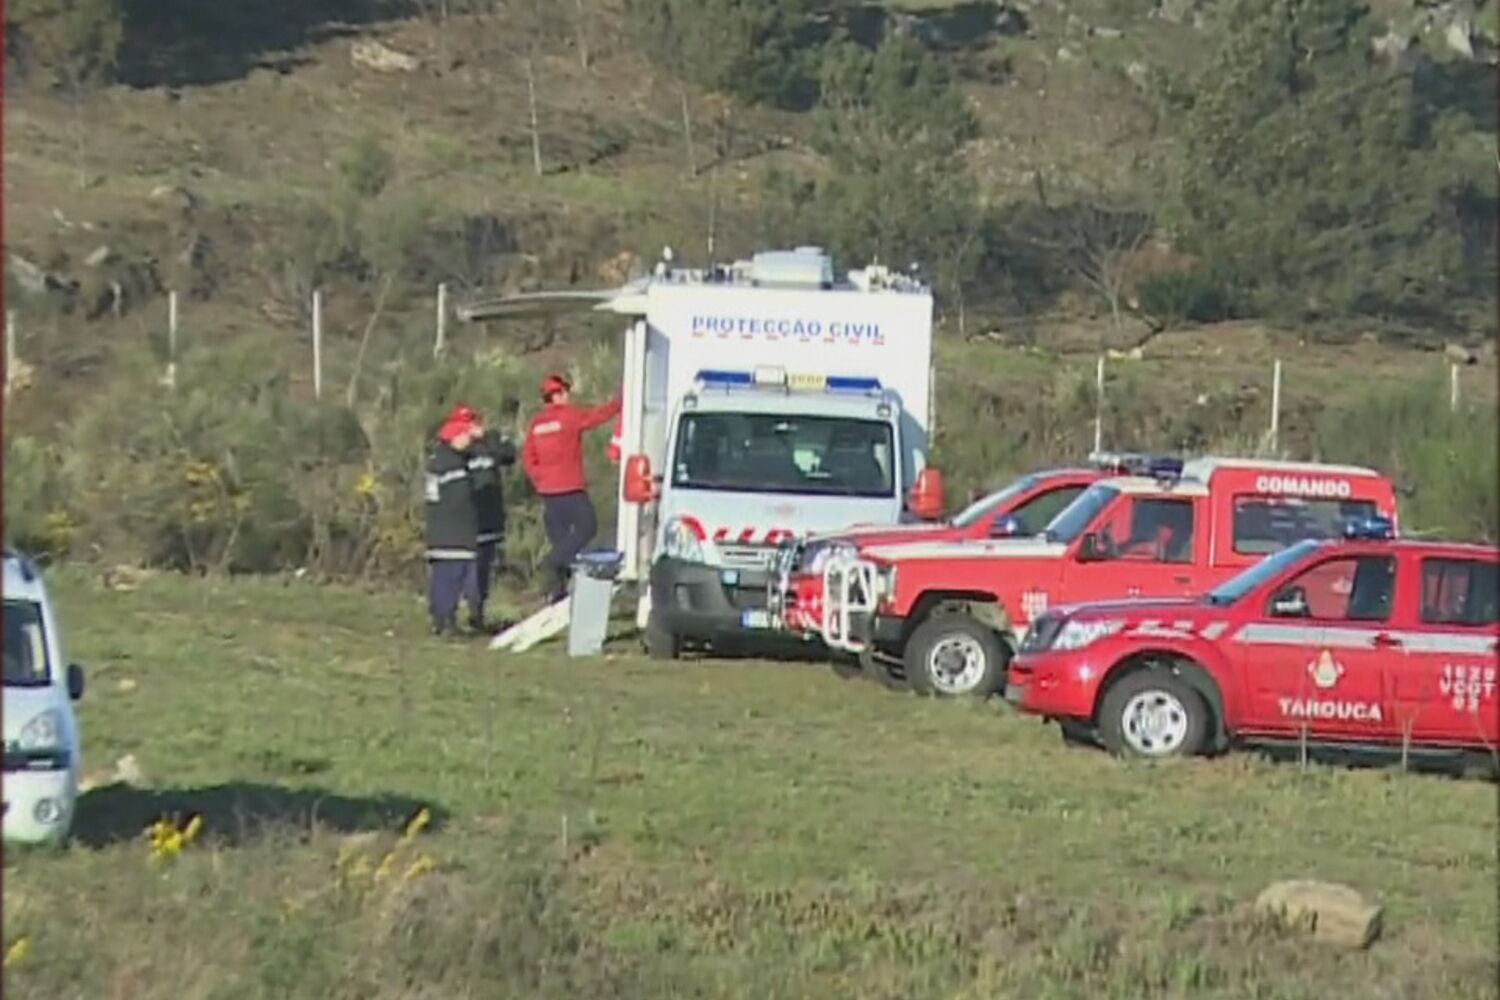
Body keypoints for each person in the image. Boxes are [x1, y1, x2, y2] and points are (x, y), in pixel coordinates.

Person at [521, 374, 622, 603]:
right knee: (586, 527)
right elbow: (598, 416)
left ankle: (556, 593)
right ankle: (552, 563)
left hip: (548, 491)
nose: (568, 396)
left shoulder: (537, 423)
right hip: (570, 487)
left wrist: (540, 478)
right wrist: (619, 403)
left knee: (561, 540)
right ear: (558, 395)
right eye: (565, 392)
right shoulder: (569, 416)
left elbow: (528, 457)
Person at [424, 405, 482, 636]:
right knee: (452, 578)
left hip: (438, 530)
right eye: (466, 434)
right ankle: (447, 621)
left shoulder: (437, 459)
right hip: (455, 533)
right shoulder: (454, 465)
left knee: (441, 579)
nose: (469, 440)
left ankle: (440, 620)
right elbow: (462, 498)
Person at [465, 408, 518, 631]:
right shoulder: (458, 450)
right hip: (468, 518)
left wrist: (488, 440)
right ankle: (470, 610)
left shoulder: (492, 441)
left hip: (491, 516)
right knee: (471, 566)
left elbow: (509, 455)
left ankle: (479, 612)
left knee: (485, 566)